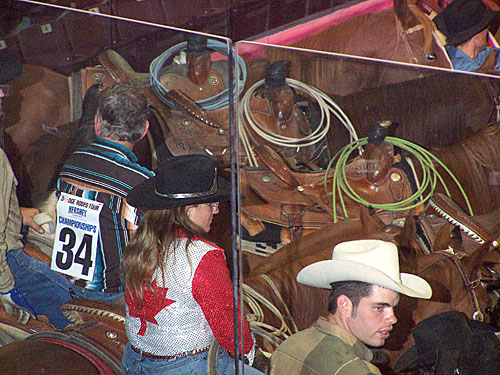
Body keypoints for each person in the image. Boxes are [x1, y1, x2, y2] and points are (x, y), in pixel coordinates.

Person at [6, 80, 154, 328]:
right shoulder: (143, 184)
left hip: (67, 282)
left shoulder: (72, 164)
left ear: (96, 123)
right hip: (111, 295)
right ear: (144, 130)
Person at [121, 154, 263, 375]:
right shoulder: (204, 256)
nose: (216, 211)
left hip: (134, 359)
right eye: (211, 204)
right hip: (187, 366)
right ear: (189, 210)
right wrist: (252, 350)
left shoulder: (139, 245)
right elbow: (227, 327)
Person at [267, 239, 433, 375]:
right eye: (379, 308)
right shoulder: (356, 370)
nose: (393, 319)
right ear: (344, 305)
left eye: (393, 308)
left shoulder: (290, 345)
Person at [0, 54, 45, 324]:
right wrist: (7, 288)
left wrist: (16, 211)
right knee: (70, 305)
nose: (3, 94)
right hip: (8, 260)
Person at [433, 0, 500, 73]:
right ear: (477, 38)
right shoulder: (456, 66)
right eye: (486, 29)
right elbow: (481, 78)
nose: (488, 31)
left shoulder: (483, 53)